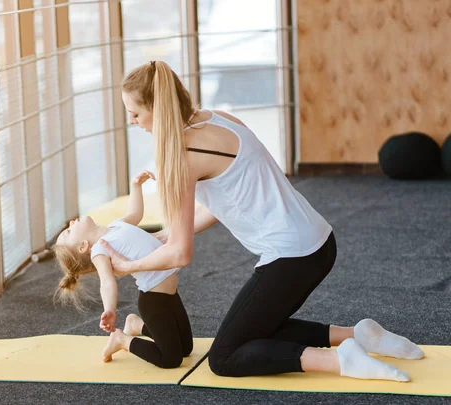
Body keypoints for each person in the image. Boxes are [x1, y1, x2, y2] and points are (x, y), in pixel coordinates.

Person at [98, 60, 424, 381]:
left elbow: (180, 254)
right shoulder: (218, 119)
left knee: (224, 356)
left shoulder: (184, 154)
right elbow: (224, 204)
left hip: (292, 255)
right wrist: (167, 234)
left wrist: (127, 267)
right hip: (319, 241)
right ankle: (361, 335)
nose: (132, 121)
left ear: (159, 108)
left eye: (136, 113)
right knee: (255, 326)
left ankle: (340, 360)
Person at [52, 170, 193, 368]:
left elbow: (136, 214)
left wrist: (136, 186)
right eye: (68, 231)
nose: (71, 222)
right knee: (170, 359)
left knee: (186, 348)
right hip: (154, 300)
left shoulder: (115, 226)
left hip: (170, 293)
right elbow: (107, 283)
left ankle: (136, 324)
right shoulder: (100, 250)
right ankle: (122, 340)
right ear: (83, 246)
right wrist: (109, 309)